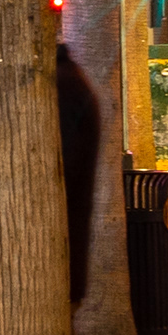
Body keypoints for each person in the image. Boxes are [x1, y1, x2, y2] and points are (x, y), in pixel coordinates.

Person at [57, 42, 102, 307]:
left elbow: (66, 156)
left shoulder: (63, 83)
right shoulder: (71, 78)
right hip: (71, 225)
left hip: (65, 230)